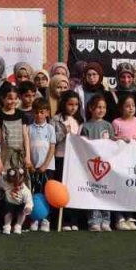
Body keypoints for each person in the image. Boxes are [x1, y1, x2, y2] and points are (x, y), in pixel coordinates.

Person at [81, 96, 115, 232]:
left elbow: (113, 144)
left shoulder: (108, 125)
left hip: (106, 165)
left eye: (104, 107)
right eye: (98, 107)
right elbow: (82, 145)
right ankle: (94, 220)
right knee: (93, 192)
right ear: (91, 108)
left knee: (107, 191)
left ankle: (106, 220)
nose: (101, 110)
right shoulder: (86, 126)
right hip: (92, 166)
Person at [51, 91, 83, 231]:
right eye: (70, 104)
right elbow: (53, 140)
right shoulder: (56, 119)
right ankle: (61, 220)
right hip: (60, 157)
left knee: (73, 191)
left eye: (76, 104)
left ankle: (73, 219)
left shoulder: (79, 121)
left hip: (75, 160)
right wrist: (64, 132)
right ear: (64, 104)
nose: (73, 107)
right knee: (60, 190)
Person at [26, 99, 57, 231]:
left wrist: (45, 165)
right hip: (33, 167)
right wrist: (31, 165)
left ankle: (45, 219)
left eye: (42, 112)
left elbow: (52, 148)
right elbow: (27, 147)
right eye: (36, 112)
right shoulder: (29, 128)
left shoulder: (50, 128)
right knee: (33, 192)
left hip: (47, 167)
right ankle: (34, 218)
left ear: (47, 113)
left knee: (46, 193)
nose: (39, 115)